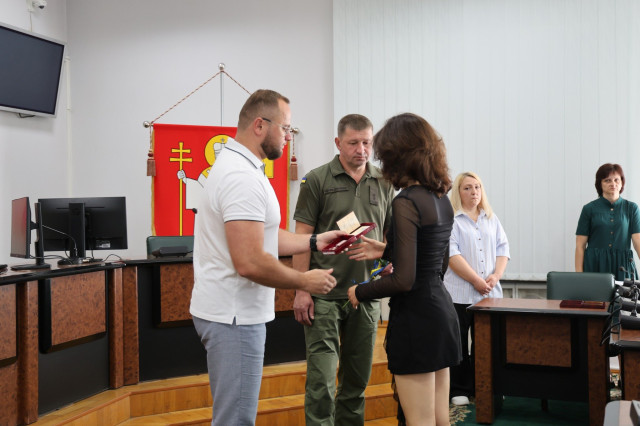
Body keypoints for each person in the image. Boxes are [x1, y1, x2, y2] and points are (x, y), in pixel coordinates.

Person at [189, 89, 346, 426]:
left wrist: (314, 241)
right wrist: (304, 280)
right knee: (236, 420)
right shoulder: (240, 177)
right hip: (234, 317)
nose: (289, 137)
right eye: (285, 128)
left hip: (231, 313)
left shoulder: (243, 167)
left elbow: (265, 237)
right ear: (260, 125)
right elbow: (249, 261)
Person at [347, 113, 462, 426]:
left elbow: (404, 280)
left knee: (419, 421)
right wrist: (389, 251)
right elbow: (436, 264)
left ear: (398, 156)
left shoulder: (405, 202)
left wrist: (360, 291)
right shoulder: (442, 198)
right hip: (441, 312)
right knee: (440, 420)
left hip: (416, 320)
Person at [292, 114, 395, 425]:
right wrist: (301, 290)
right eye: (353, 143)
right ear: (338, 143)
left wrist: (385, 267)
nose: (361, 150)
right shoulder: (316, 180)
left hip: (365, 294)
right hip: (323, 295)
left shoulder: (385, 181)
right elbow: (301, 238)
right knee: (321, 382)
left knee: (356, 382)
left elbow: (388, 235)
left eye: (367, 143)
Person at [443, 171, 510, 406]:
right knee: (459, 343)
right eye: (468, 188)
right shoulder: (451, 219)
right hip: (459, 294)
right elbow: (452, 255)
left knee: (487, 343)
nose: (474, 192)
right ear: (458, 192)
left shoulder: (491, 218)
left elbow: (503, 249)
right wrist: (475, 280)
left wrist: (495, 276)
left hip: (490, 294)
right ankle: (459, 389)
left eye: (477, 187)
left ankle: (486, 386)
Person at [576, 163, 640, 281]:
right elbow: (580, 245)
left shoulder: (631, 208)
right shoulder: (589, 209)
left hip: (623, 265)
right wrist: (579, 276)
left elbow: (637, 242)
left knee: (626, 293)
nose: (613, 184)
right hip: (595, 264)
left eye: (616, 180)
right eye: (607, 180)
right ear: (600, 184)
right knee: (595, 294)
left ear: (622, 182)